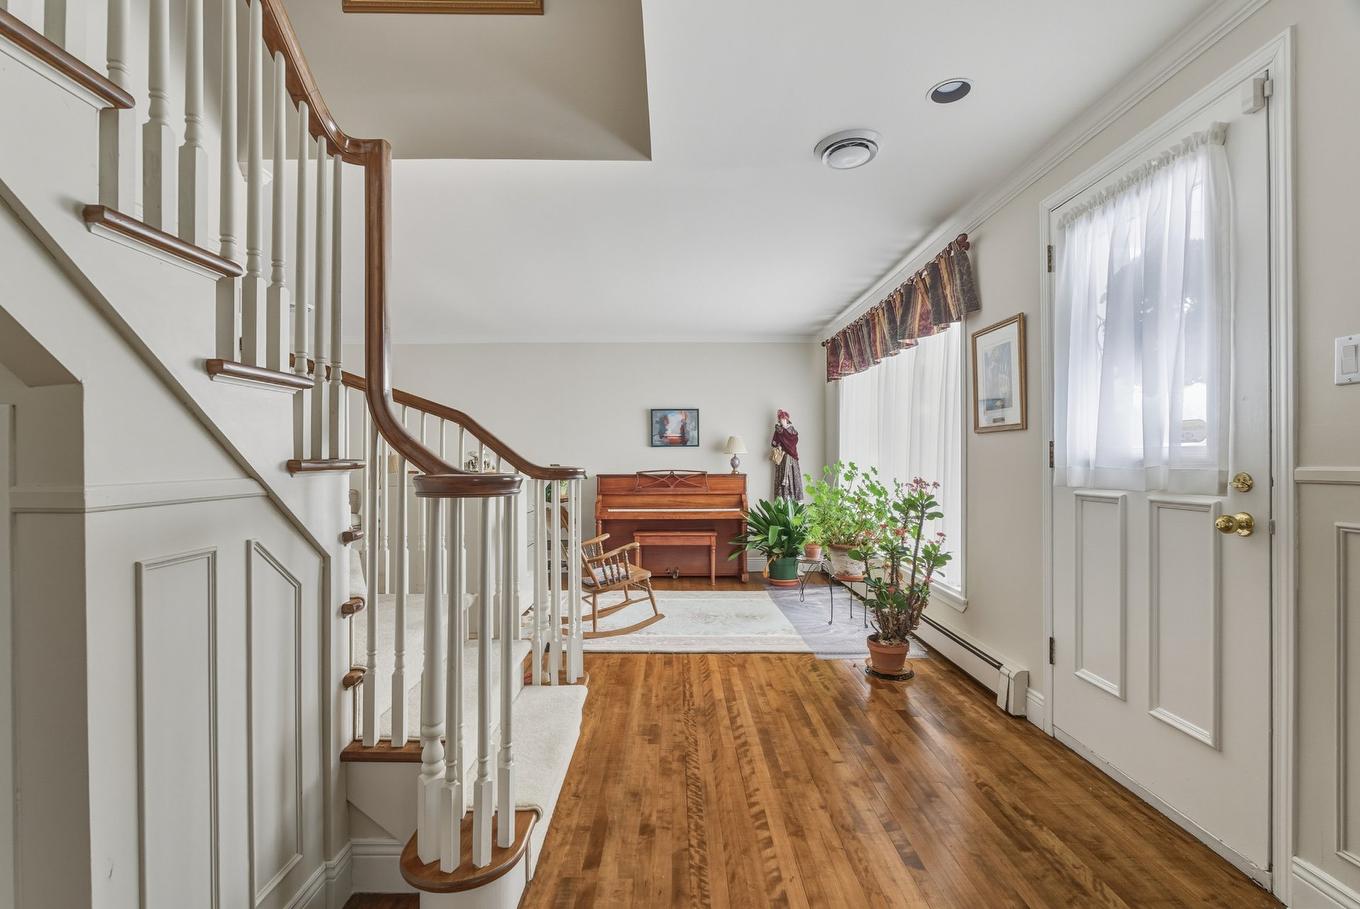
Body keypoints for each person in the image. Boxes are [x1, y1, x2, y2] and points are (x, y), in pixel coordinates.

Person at [770, 409, 803, 500]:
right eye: (780, 419)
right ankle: (782, 499)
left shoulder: (792, 431)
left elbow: (793, 442)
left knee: (792, 477)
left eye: (784, 419)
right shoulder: (778, 430)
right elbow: (774, 442)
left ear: (787, 419)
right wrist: (778, 445)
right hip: (782, 458)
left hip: (791, 458)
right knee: (781, 477)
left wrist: (784, 433)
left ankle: (793, 499)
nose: (782, 421)